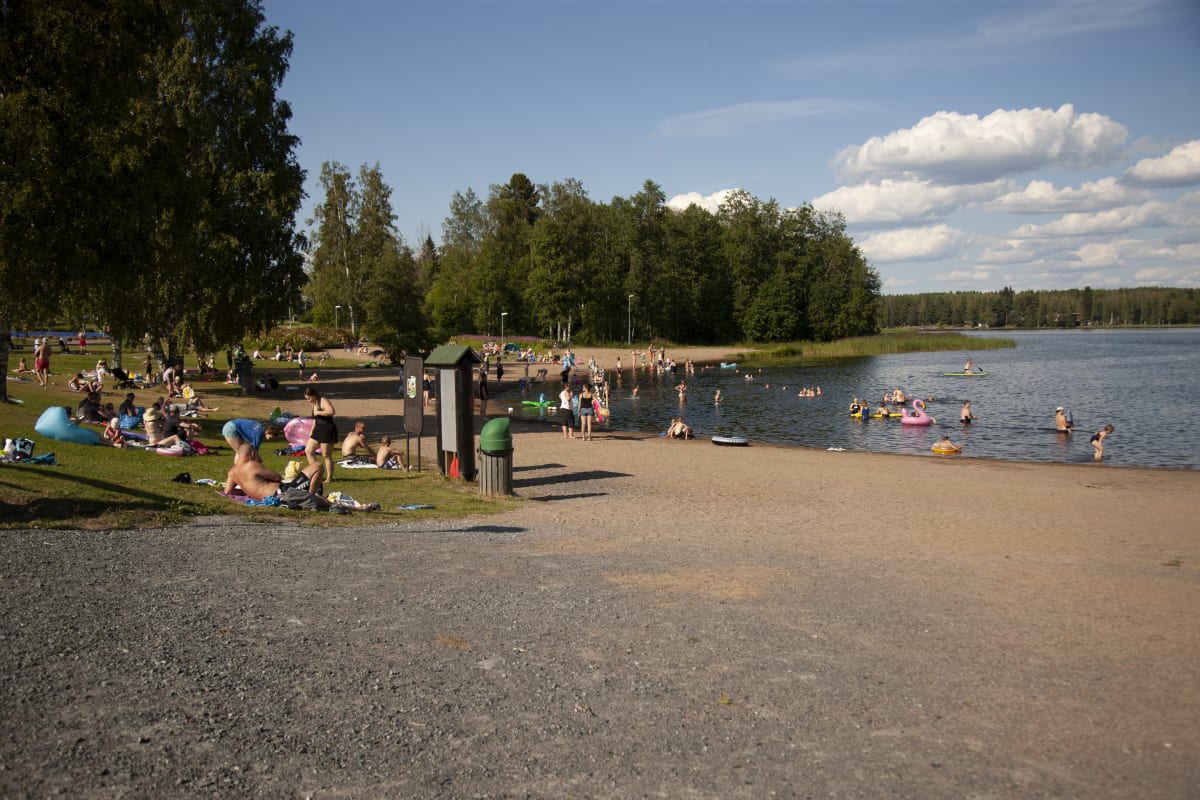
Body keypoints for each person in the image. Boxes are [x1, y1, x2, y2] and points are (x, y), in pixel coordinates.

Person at [225, 445, 328, 504]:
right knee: (317, 466)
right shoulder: (251, 464)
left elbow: (228, 491)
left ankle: (311, 496)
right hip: (282, 492)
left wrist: (247, 490)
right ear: (252, 454)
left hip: (269, 497)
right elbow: (276, 477)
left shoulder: (232, 472)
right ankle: (310, 497)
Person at [304, 386, 337, 482]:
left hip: (327, 428)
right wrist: (311, 431)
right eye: (306, 399)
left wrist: (318, 412)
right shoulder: (314, 403)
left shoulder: (323, 400)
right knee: (308, 451)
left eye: (309, 398)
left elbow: (331, 411)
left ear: (314, 395)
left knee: (326, 455)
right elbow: (315, 419)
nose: (308, 401)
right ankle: (317, 473)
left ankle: (329, 478)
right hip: (317, 429)